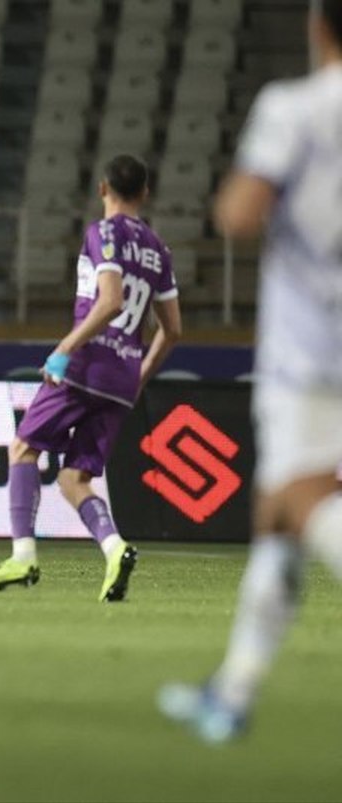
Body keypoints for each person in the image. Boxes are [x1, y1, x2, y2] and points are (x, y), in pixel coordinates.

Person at [158, 0, 342, 743]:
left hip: (312, 352)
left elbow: (240, 211)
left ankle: (230, 695)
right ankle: (232, 694)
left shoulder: (295, 108)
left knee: (301, 503)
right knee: (275, 522)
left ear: (318, 25)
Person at [0, 154, 182, 601]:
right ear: (144, 193)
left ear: (103, 188)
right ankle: (115, 548)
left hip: (88, 364)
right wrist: (140, 374)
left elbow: (110, 301)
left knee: (24, 447)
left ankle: (24, 555)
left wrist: (65, 349)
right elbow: (173, 330)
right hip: (124, 376)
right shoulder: (159, 250)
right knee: (75, 479)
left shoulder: (102, 233)